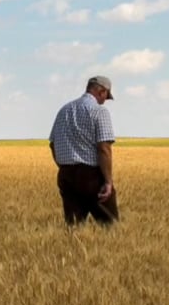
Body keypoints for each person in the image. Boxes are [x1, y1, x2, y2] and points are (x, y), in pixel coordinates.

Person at [49, 75, 119, 225]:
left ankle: (71, 248)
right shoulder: (99, 112)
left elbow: (53, 144)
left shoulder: (64, 110)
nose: (104, 101)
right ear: (101, 91)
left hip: (65, 175)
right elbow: (104, 148)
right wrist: (108, 182)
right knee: (110, 226)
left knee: (74, 227)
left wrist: (63, 166)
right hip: (91, 176)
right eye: (106, 96)